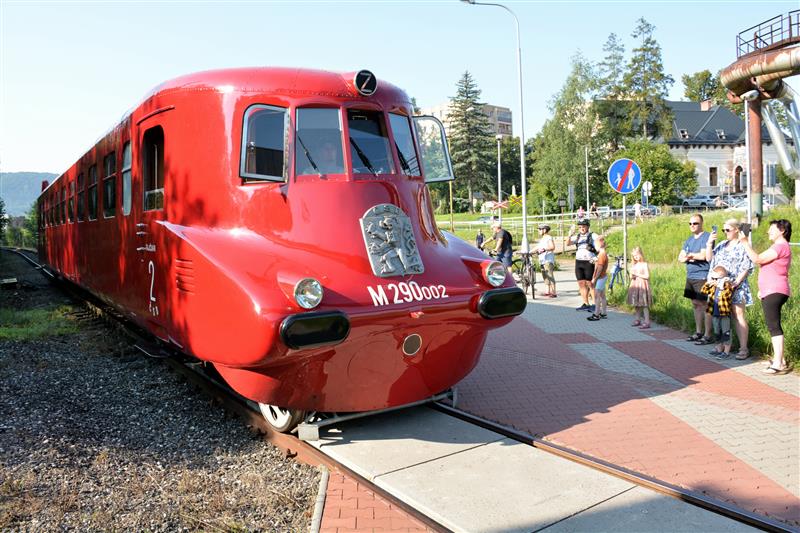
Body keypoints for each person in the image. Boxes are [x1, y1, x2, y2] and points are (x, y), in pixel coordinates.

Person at [738, 219, 793, 374]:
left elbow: (758, 259)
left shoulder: (780, 246)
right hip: (771, 290)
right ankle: (779, 358)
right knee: (773, 325)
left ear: (782, 230)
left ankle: (778, 364)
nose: (768, 231)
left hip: (775, 289)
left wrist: (744, 242)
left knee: (774, 326)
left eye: (771, 229)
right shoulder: (779, 246)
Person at [708, 219, 754, 359]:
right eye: (723, 230)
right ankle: (723, 345)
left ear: (736, 230)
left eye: (727, 230)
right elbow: (710, 259)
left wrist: (736, 282)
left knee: (737, 315)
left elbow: (746, 266)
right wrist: (709, 243)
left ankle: (743, 348)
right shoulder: (722, 245)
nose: (725, 232)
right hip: (720, 287)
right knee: (721, 316)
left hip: (736, 286)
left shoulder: (742, 245)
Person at [678, 214, 713, 345]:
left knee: (704, 305)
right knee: (695, 304)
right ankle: (698, 332)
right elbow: (680, 257)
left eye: (695, 223)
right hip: (691, 275)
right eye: (690, 223)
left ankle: (708, 334)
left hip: (702, 275)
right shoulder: (689, 240)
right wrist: (691, 256)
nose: (692, 225)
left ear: (702, 223)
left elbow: (704, 255)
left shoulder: (706, 237)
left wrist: (691, 255)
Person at [700, 265, 734, 358]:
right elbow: (703, 291)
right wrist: (708, 283)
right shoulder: (713, 286)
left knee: (726, 332)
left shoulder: (727, 284)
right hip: (714, 313)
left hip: (724, 313)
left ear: (720, 276)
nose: (713, 279)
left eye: (715, 277)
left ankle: (726, 351)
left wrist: (719, 285)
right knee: (717, 331)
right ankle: (719, 348)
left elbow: (727, 294)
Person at [568, 219, 596, 312]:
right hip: (579, 262)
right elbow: (567, 243)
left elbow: (601, 241)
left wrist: (595, 252)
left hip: (589, 262)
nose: (582, 228)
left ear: (587, 227)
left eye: (583, 226)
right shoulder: (578, 236)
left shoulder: (592, 235)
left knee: (590, 284)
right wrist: (570, 234)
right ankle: (585, 303)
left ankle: (595, 304)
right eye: (580, 227)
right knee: (581, 283)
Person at [627, 246, 652, 328]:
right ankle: (637, 319)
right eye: (634, 256)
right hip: (635, 285)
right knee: (636, 304)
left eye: (637, 255)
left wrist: (637, 274)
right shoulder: (634, 265)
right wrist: (631, 275)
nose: (636, 257)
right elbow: (631, 276)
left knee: (644, 304)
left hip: (643, 285)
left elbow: (647, 276)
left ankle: (647, 321)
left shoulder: (644, 264)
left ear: (641, 254)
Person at [587, 235, 609, 321]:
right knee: (603, 296)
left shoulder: (602, 255)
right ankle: (604, 313)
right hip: (603, 277)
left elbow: (599, 269)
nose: (594, 247)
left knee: (597, 296)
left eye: (595, 245)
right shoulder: (602, 254)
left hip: (600, 278)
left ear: (599, 244)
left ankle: (596, 314)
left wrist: (594, 278)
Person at [536, 224, 557, 297]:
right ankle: (547, 291)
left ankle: (554, 292)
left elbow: (552, 247)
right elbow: (537, 248)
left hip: (548, 260)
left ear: (544, 230)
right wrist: (528, 252)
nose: (538, 231)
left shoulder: (548, 237)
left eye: (539, 229)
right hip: (542, 260)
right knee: (545, 276)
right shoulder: (542, 239)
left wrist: (544, 249)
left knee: (550, 275)